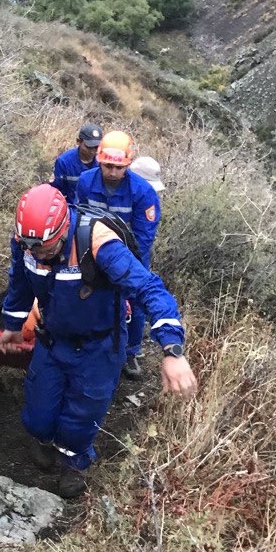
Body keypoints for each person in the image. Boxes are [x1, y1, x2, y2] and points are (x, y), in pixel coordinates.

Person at [0, 183, 196, 498]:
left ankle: (75, 461)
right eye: (31, 248)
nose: (38, 255)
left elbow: (149, 289)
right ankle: (45, 439)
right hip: (54, 339)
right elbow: (20, 281)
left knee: (79, 421)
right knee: (38, 418)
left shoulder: (99, 243)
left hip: (99, 347)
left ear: (63, 230)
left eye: (46, 249)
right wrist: (11, 324)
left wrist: (172, 349)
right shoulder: (27, 242)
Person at [76, 130, 161, 379]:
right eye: (108, 166)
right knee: (87, 297)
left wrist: (121, 267)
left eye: (119, 167)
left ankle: (131, 352)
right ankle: (89, 343)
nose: (113, 172)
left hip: (131, 257)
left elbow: (143, 237)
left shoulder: (143, 192)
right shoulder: (85, 182)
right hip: (90, 253)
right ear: (100, 161)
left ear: (128, 165)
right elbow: (78, 217)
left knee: (135, 303)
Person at [50, 122, 103, 201]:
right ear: (78, 142)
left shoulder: (104, 162)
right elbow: (57, 191)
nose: (92, 151)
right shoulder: (64, 162)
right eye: (89, 147)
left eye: (96, 147)